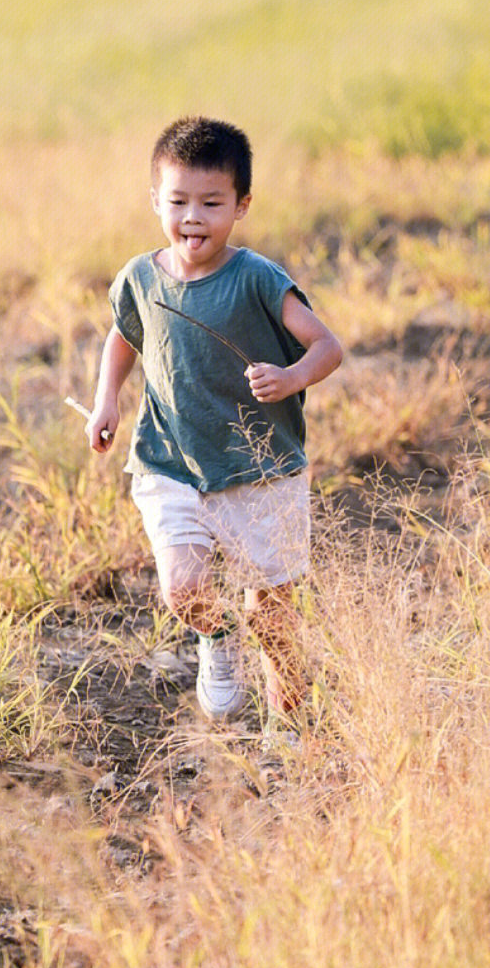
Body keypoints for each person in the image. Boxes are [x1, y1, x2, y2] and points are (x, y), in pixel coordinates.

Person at [86, 117, 343, 747]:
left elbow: (327, 346)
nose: (192, 217)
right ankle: (216, 639)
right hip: (170, 461)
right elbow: (123, 337)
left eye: (211, 203)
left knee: (273, 616)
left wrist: (291, 376)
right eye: (177, 202)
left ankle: (289, 723)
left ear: (241, 207)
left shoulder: (255, 277)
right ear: (155, 202)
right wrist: (106, 405)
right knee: (185, 587)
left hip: (262, 469)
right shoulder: (141, 278)